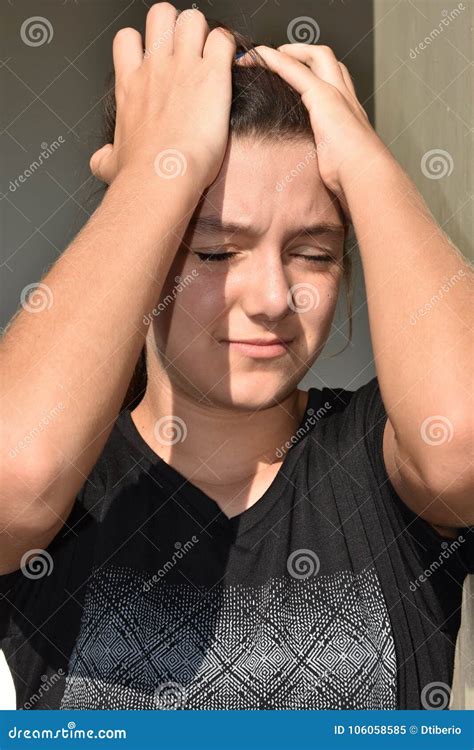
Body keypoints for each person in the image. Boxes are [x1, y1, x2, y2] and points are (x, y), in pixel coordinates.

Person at [1, 3, 472, 711]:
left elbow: (462, 442)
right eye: (217, 253)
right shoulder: (72, 491)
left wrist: (370, 166)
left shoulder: (381, 462)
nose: (273, 297)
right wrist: (156, 175)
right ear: (149, 249)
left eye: (313, 253)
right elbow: (16, 472)